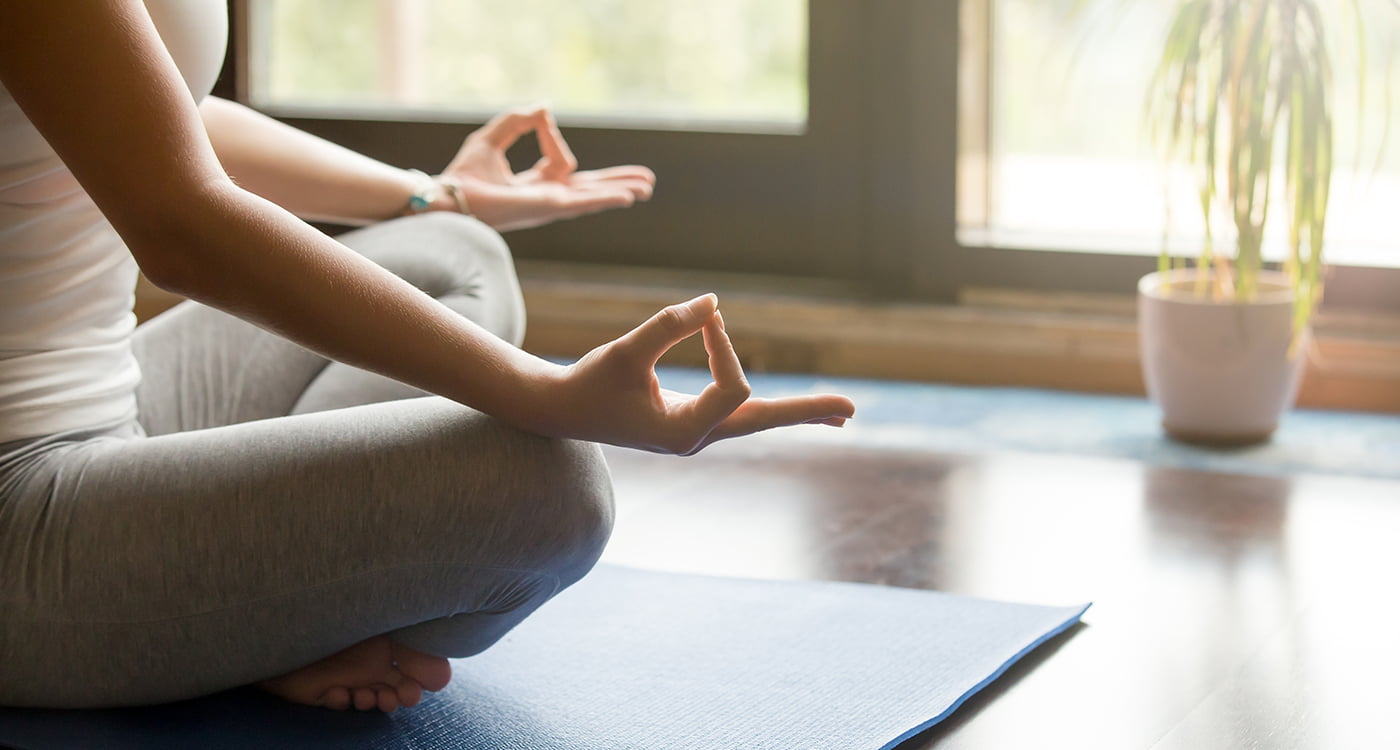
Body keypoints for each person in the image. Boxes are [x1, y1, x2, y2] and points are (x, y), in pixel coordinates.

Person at [0, 0, 854, 714]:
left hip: (121, 405)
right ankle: (250, 619)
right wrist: (542, 393)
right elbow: (178, 225)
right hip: (18, 511)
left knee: (455, 250)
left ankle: (246, 612)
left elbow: (159, 118)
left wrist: (436, 192)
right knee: (547, 489)